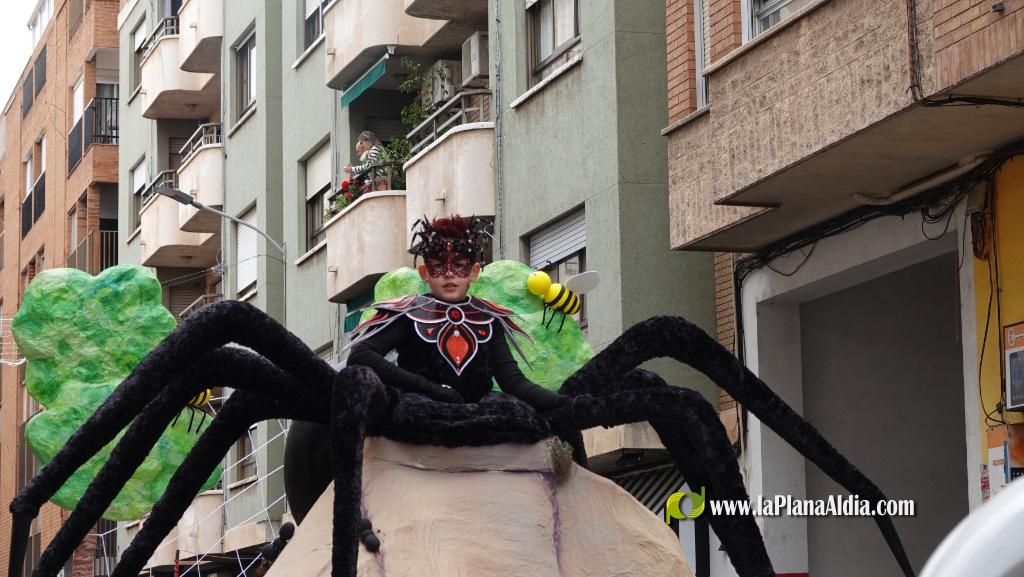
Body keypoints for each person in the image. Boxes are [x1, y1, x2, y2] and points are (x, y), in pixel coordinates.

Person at [346, 215, 571, 411]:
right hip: (421, 413)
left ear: (473, 272)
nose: (450, 274)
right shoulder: (409, 313)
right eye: (439, 266)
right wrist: (431, 390)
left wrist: (565, 403)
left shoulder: (489, 317)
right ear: (425, 273)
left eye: (459, 265)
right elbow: (361, 355)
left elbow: (513, 382)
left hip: (480, 415)